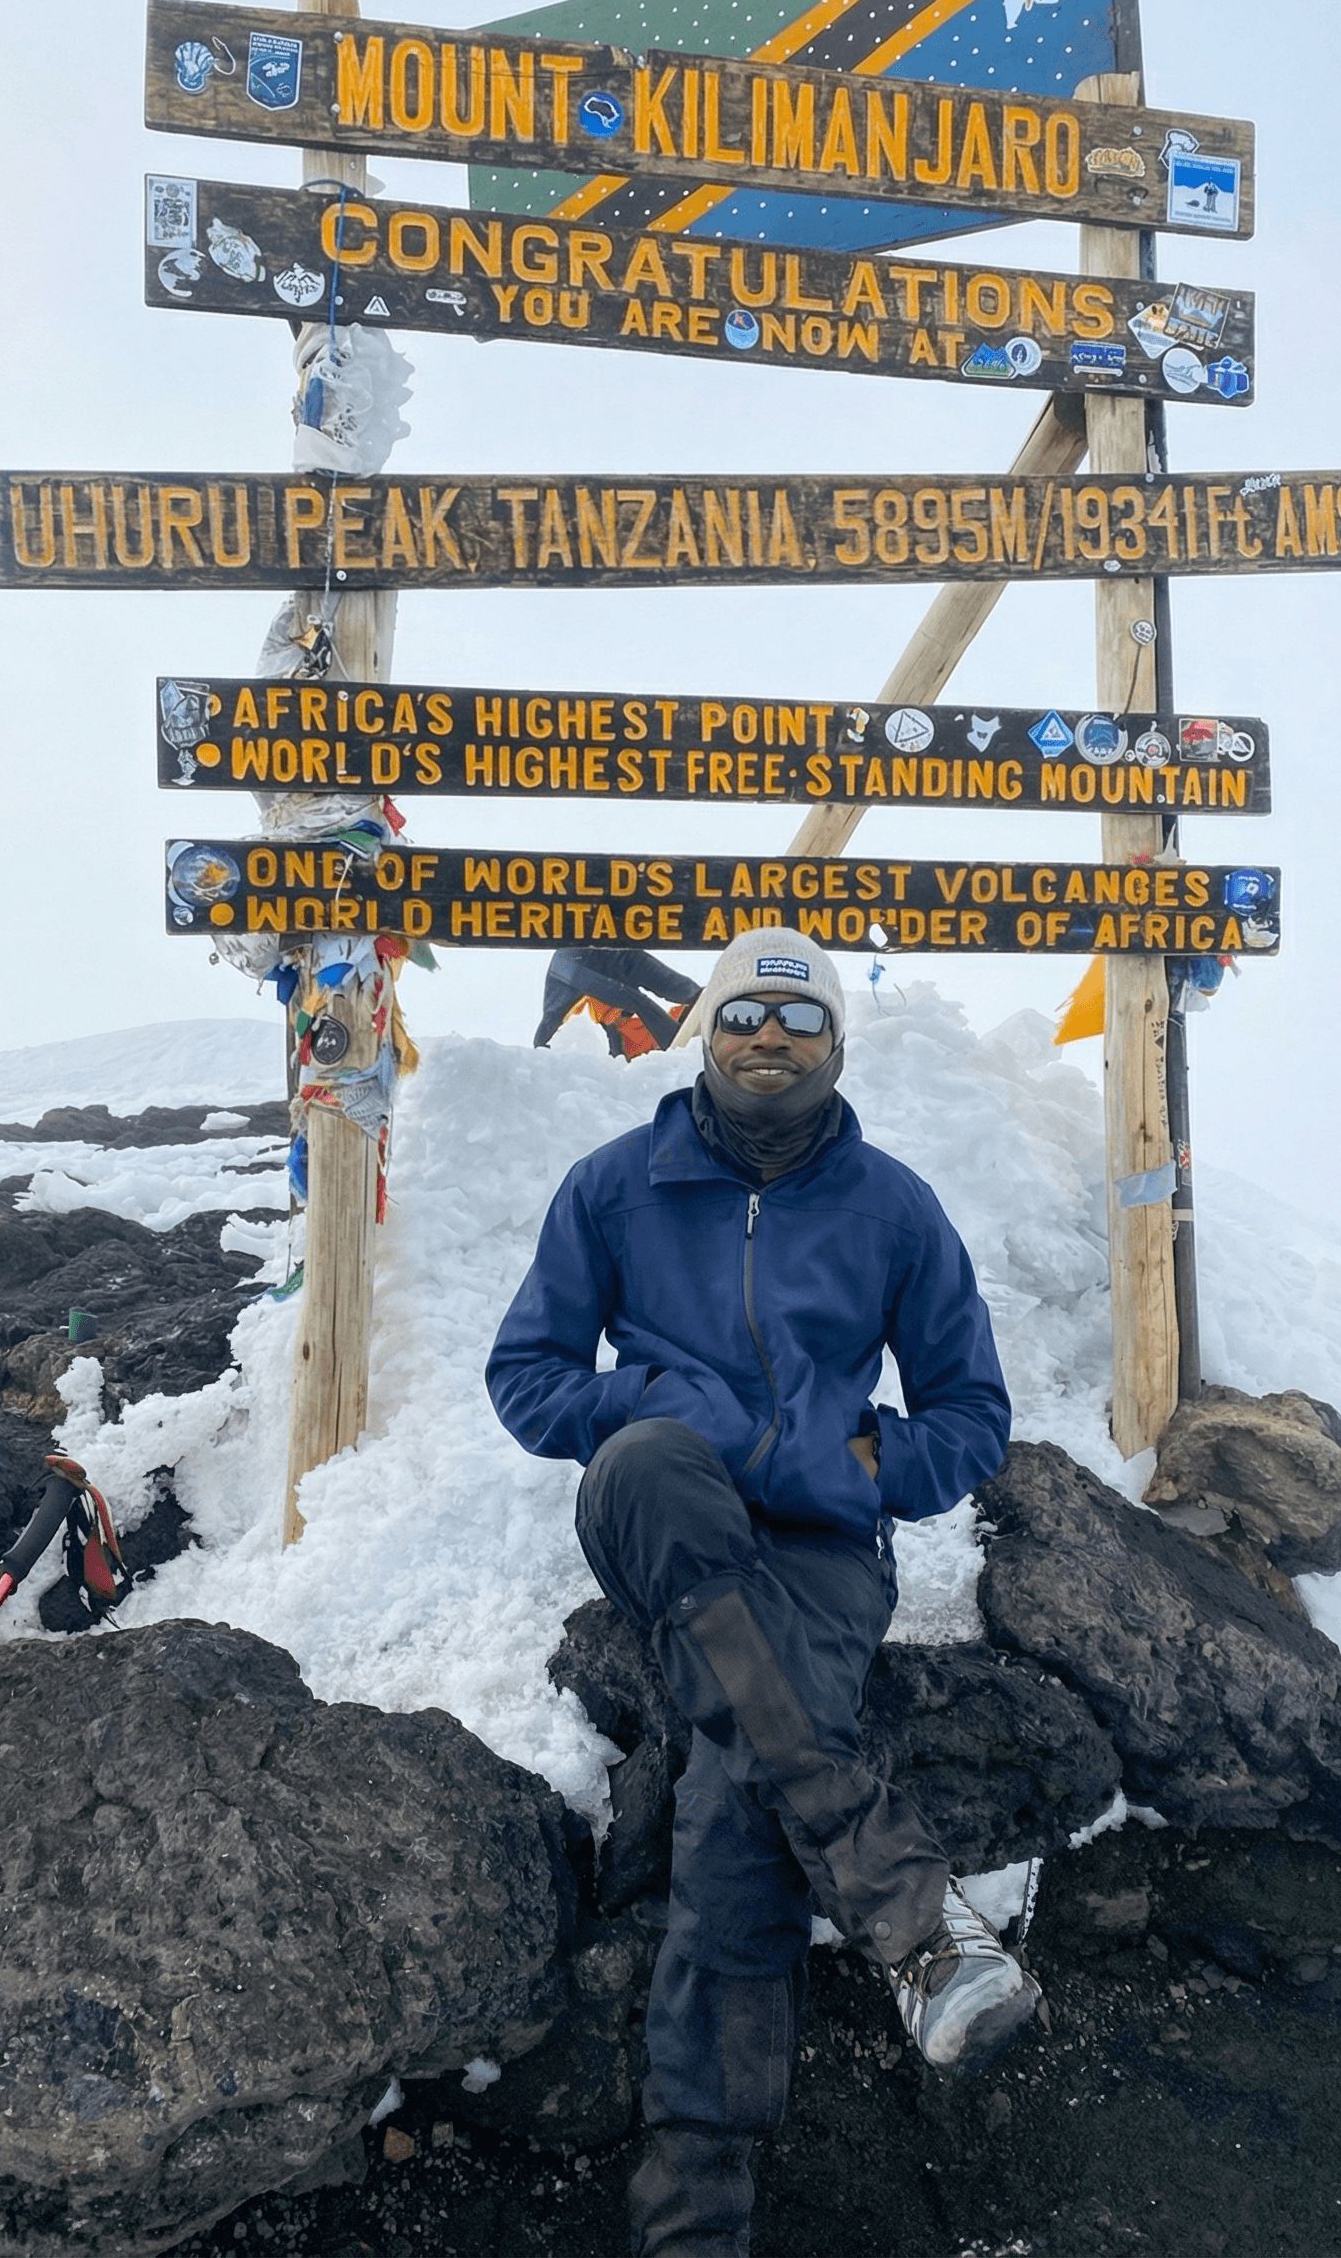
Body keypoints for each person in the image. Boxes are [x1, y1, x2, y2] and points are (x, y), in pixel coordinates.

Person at [487, 928, 1037, 2258]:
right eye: (745, 1016)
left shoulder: (894, 1207)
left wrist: (869, 1457)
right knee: (663, 1460)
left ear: (836, 1043)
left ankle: (695, 2221)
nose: (769, 1039)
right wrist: (661, 1399)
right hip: (660, 1507)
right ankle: (903, 1904)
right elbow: (529, 1375)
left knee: (736, 1791)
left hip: (823, 1552)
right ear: (708, 1033)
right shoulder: (614, 1188)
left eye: (798, 1019)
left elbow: (972, 1413)